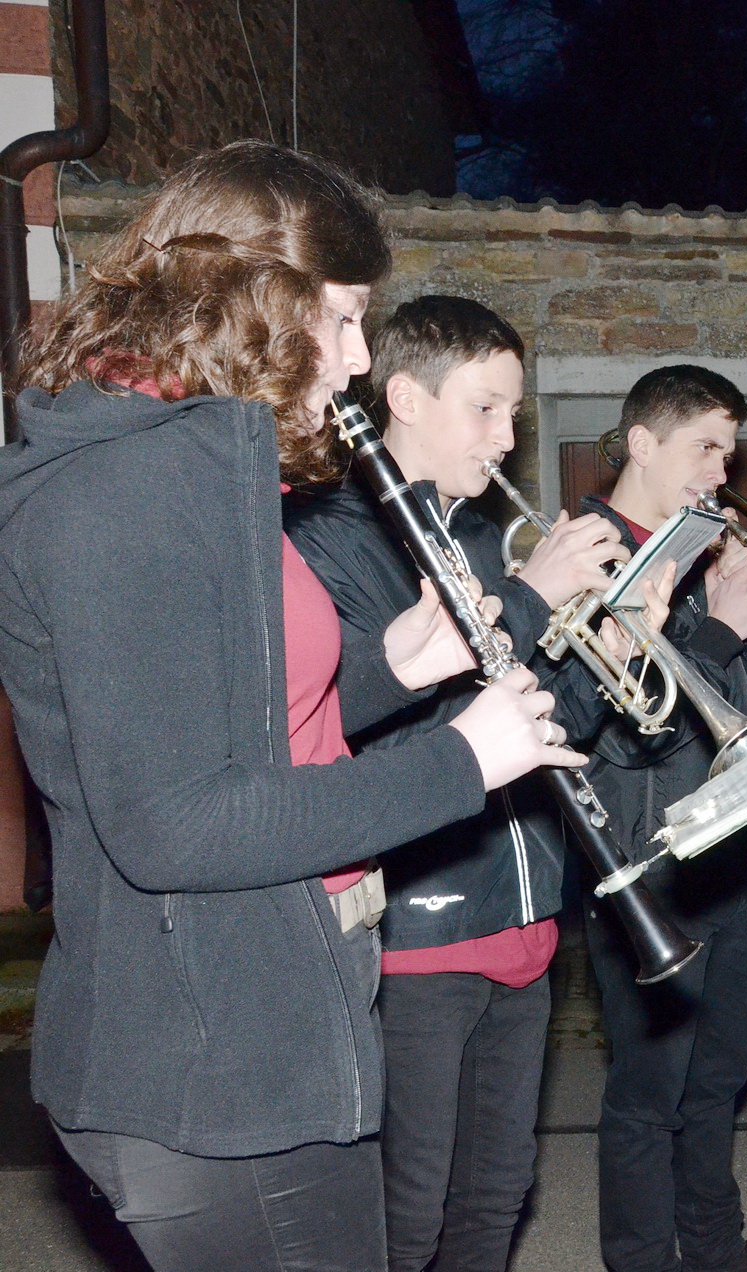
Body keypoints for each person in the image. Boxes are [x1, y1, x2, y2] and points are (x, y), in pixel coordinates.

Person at [0, 141, 572, 1272]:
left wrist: (392, 672)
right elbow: (174, 823)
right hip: (208, 1064)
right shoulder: (128, 490)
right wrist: (462, 760)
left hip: (262, 1013)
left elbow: (239, 718)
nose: (357, 360)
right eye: (345, 319)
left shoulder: (202, 470)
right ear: (257, 300)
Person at [286, 295, 636, 1272]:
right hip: (415, 926)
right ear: (404, 397)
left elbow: (531, 719)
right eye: (485, 408)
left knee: (497, 1194)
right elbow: (369, 718)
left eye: (514, 413)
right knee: (410, 1207)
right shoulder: (324, 539)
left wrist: (597, 664)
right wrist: (534, 598)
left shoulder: (476, 536)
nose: (507, 435)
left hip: (522, 909)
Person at [578, 365, 747, 1272]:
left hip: (734, 849)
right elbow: (615, 734)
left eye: (729, 450)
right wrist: (711, 630)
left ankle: (714, 1246)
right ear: (642, 442)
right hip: (649, 857)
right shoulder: (589, 553)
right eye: (704, 448)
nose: (722, 472)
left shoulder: (702, 544)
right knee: (650, 1092)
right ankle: (642, 1259)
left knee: (718, 1079)